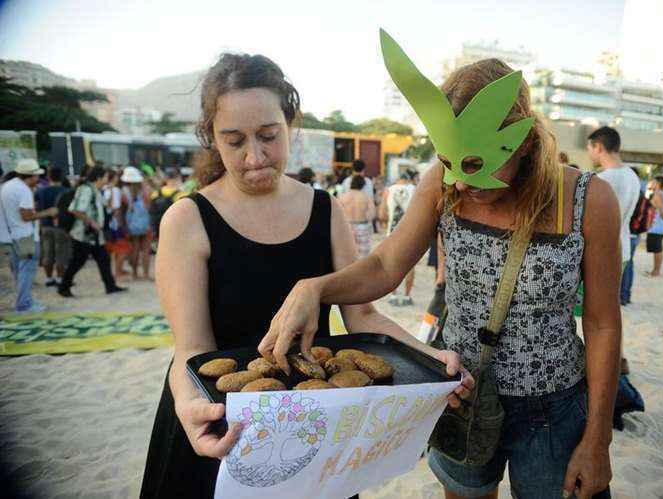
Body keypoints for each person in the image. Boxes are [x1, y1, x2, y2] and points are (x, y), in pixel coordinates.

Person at [262, 56, 620, 499]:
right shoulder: (443, 184)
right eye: (448, 160)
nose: (462, 183)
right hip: (460, 396)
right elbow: (385, 266)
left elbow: (603, 323)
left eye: (474, 163)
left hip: (553, 413)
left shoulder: (587, 199)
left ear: (524, 142)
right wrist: (314, 288)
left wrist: (597, 439)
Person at [138, 52, 466, 499]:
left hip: (313, 425)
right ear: (211, 138)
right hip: (221, 426)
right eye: (234, 140)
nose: (255, 156)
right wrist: (188, 405)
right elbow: (193, 351)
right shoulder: (187, 219)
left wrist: (432, 362)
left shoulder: (324, 209)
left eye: (269, 136)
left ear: (291, 124)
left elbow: (363, 317)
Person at [586, 126, 639, 375]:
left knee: (594, 314)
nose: (590, 153)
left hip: (602, 254)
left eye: (590, 148)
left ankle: (605, 364)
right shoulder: (632, 176)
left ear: (598, 146)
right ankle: (619, 358)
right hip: (624, 250)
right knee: (611, 310)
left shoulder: (602, 180)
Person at [58, 166, 126, 297]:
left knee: (103, 259)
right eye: (106, 177)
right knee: (78, 261)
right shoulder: (86, 190)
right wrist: (92, 222)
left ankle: (110, 286)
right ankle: (64, 286)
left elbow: (105, 207)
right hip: (83, 234)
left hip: (94, 235)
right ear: (99, 177)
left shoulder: (95, 190)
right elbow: (75, 209)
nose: (107, 179)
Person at [0, 159, 57, 312]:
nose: (38, 179)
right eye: (36, 176)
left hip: (10, 235)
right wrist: (48, 212)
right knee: (27, 270)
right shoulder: (23, 190)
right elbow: (26, 216)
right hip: (25, 236)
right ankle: (24, 304)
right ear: (31, 176)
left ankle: (24, 300)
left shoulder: (8, 186)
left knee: (18, 270)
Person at [379, 172, 416, 306]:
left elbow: (382, 214)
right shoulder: (415, 189)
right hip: (411, 233)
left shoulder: (389, 190)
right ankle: (407, 296)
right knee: (410, 265)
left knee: (392, 264)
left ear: (397, 179)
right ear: (408, 180)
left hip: (392, 233)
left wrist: (386, 222)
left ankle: (393, 296)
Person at [35, 167, 71, 287]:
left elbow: (36, 208)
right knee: (61, 254)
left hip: (45, 225)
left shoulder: (40, 191)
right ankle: (60, 278)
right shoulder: (67, 191)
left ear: (49, 177)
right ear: (61, 177)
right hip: (62, 226)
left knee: (47, 254)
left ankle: (49, 278)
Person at [121, 166, 153, 280]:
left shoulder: (124, 191)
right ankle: (146, 274)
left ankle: (134, 273)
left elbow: (122, 209)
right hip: (144, 221)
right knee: (146, 249)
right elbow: (148, 205)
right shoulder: (145, 189)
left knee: (134, 248)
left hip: (132, 222)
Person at [620, 168, 644, 305]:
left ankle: (623, 296)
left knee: (626, 265)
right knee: (629, 264)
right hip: (636, 233)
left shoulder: (632, 193)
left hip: (629, 232)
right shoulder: (639, 192)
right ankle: (626, 295)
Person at [339, 175, 375, 257]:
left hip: (347, 226)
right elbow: (372, 214)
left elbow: (338, 214)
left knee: (346, 254)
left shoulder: (342, 197)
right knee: (363, 255)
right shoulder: (366, 197)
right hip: (363, 226)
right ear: (363, 185)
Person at [646, 176, 663, 277]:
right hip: (660, 226)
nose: (651, 183)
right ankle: (655, 270)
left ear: (658, 183)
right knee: (657, 248)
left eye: (653, 182)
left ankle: (656, 271)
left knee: (657, 249)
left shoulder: (657, 194)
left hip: (656, 226)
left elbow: (661, 209)